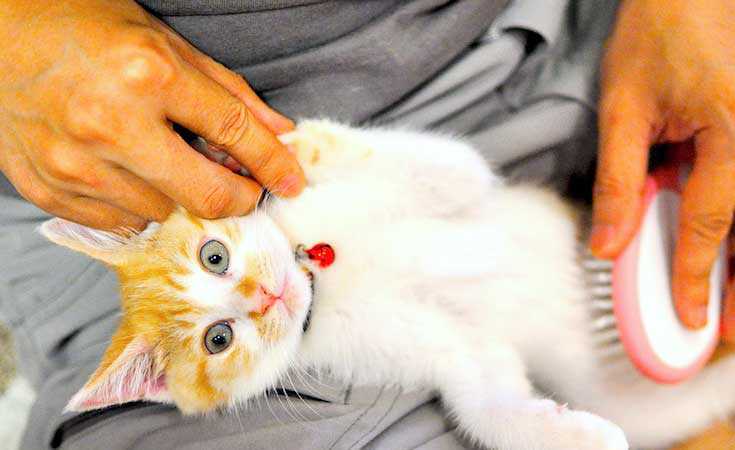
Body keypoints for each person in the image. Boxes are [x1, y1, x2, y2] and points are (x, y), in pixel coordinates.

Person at [0, 0, 733, 448]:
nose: (258, 297)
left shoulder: (304, 207)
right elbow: (455, 355)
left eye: (218, 261)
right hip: (95, 124)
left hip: (535, 37)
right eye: (219, 338)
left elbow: (459, 184)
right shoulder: (330, 338)